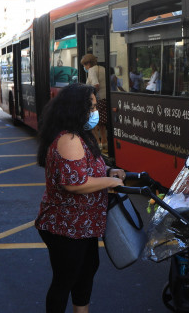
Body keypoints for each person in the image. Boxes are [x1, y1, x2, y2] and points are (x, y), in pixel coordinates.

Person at [34, 83, 125, 313]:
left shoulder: (82, 136)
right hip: (66, 226)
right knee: (65, 280)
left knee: (85, 273)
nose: (95, 112)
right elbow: (75, 184)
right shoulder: (69, 139)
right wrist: (111, 182)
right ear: (76, 109)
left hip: (83, 225)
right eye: (91, 107)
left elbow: (86, 171)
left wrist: (108, 172)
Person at [81, 54, 108, 154]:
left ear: (88, 63)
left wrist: (91, 96)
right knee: (101, 123)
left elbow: (96, 84)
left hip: (97, 99)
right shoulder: (103, 68)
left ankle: (97, 143)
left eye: (84, 65)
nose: (84, 67)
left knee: (92, 123)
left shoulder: (92, 70)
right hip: (105, 99)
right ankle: (104, 142)